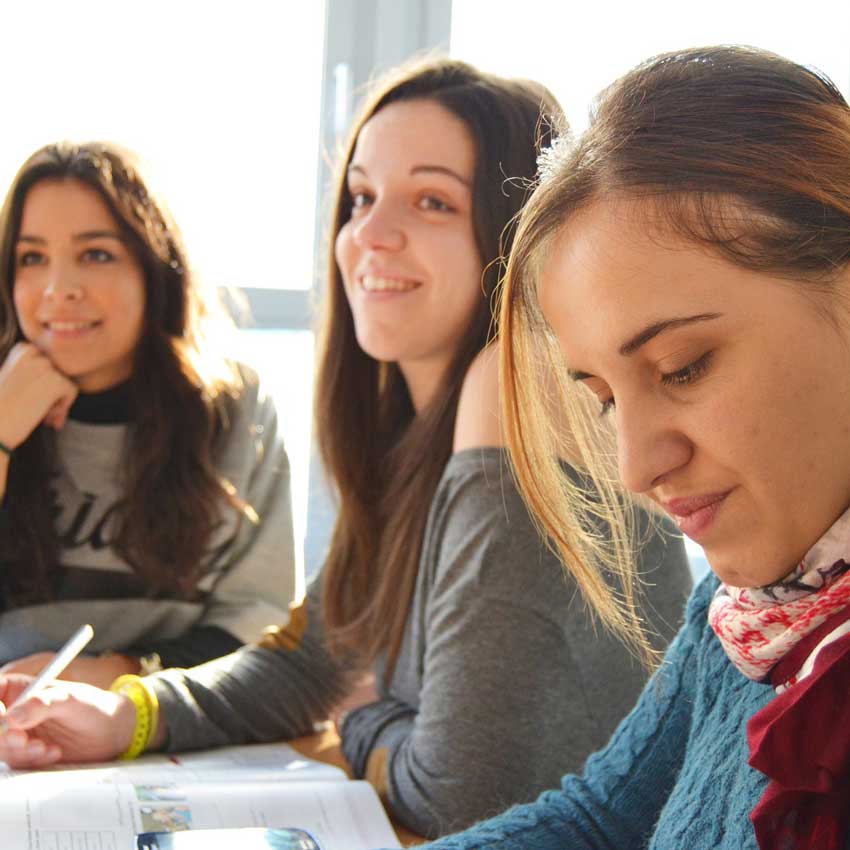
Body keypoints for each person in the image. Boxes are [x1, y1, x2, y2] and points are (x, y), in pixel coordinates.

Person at [0, 60, 690, 838]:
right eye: (361, 198)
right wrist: (126, 716)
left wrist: (365, 719)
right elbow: (308, 665)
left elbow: (455, 794)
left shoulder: (514, 383)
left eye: (432, 201)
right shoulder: (415, 434)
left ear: (515, 228)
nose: (370, 234)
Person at [389, 45, 850, 849]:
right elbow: (599, 817)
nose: (636, 468)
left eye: (683, 367)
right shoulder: (745, 611)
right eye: (602, 397)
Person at [0, 142, 297, 689]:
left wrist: (116, 676)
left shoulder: (234, 410)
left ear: (155, 268)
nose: (58, 290)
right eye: (31, 258)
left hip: (169, 722)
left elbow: (257, 625)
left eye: (96, 255)